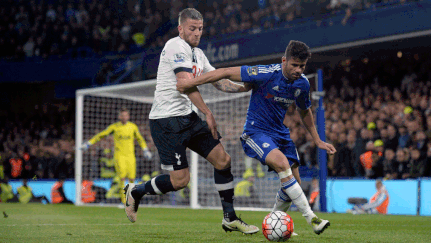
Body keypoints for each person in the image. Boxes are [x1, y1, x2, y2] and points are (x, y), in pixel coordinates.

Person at [176, 40, 336, 235]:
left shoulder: (302, 83)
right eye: (294, 65)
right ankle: (313, 219)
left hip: (281, 134)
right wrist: (190, 82)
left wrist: (318, 140)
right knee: (283, 164)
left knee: (293, 183)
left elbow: (305, 111)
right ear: (284, 60)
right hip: (256, 132)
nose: (298, 70)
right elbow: (225, 72)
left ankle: (273, 223)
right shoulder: (265, 73)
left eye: (302, 66)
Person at [123, 8, 258, 235]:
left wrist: (244, 88)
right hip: (166, 121)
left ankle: (230, 218)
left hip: (188, 118)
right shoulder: (175, 45)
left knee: (223, 161)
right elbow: (184, 85)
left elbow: (218, 81)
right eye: (192, 29)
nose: (197, 33)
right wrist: (207, 112)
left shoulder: (199, 54)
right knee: (180, 181)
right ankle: (136, 191)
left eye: (200, 29)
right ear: (181, 29)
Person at [81, 108, 153, 204]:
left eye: (126, 115)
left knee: (132, 178)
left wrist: (145, 150)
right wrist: (89, 143)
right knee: (122, 178)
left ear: (128, 116)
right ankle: (124, 201)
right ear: (119, 116)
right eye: (122, 115)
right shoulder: (114, 127)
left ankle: (131, 198)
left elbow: (140, 139)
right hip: (119, 156)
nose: (124, 117)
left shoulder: (133, 127)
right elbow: (101, 135)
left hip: (131, 156)